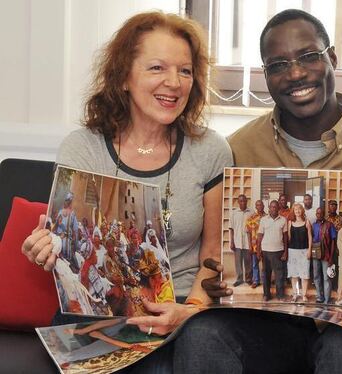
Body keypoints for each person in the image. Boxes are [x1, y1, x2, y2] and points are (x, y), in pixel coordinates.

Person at [189, 8, 342, 374]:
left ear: (333, 59)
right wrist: (217, 277)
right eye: (278, 65)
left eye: (308, 57)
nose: (295, 74)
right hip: (268, 323)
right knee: (202, 334)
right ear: (265, 75)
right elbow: (216, 251)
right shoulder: (234, 150)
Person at [20, 10, 233, 371]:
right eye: (157, 68)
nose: (174, 82)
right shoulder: (82, 148)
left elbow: (214, 256)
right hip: (100, 309)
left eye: (184, 70)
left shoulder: (210, 150)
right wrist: (43, 248)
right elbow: (69, 248)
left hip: (181, 307)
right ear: (123, 78)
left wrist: (189, 310)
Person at [257, 200, 289, 301]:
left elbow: (285, 238)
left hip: (278, 251)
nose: (273, 209)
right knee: (266, 274)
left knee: (279, 275)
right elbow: (259, 236)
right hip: (265, 251)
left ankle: (280, 295)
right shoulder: (263, 220)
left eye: (275, 207)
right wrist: (258, 251)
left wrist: (285, 251)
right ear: (269, 208)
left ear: (278, 208)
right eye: (272, 207)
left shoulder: (283, 220)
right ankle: (266, 295)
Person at [287, 203, 312, 302]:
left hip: (304, 251)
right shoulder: (290, 223)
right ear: (293, 211)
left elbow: (310, 237)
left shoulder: (307, 222)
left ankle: (304, 295)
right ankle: (295, 294)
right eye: (295, 209)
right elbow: (288, 238)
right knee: (294, 275)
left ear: (302, 211)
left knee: (304, 274)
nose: (297, 211)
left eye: (299, 209)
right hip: (292, 251)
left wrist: (309, 250)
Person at [311, 207, 337, 303]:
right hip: (315, 255)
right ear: (316, 214)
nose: (319, 215)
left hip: (326, 254)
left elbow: (333, 241)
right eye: (317, 213)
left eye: (321, 213)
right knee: (316, 276)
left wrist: (331, 256)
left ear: (324, 214)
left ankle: (326, 299)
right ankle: (319, 296)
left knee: (326, 278)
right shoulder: (313, 225)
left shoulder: (329, 225)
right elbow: (311, 239)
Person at [229, 194, 253, 287]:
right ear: (238, 202)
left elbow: (253, 228)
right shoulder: (234, 213)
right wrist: (232, 242)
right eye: (241, 201)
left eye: (244, 201)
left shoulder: (251, 212)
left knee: (248, 261)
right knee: (238, 262)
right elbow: (231, 228)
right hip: (237, 241)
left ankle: (248, 279)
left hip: (248, 242)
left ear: (247, 201)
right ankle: (239, 279)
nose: (243, 202)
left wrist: (252, 243)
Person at [245, 199, 266, 288]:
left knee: (265, 264)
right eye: (257, 205)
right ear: (256, 207)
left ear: (263, 206)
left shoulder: (267, 217)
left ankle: (265, 280)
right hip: (254, 245)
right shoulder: (251, 218)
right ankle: (256, 281)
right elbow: (248, 233)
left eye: (261, 205)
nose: (259, 207)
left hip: (265, 245)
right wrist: (250, 245)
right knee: (254, 264)